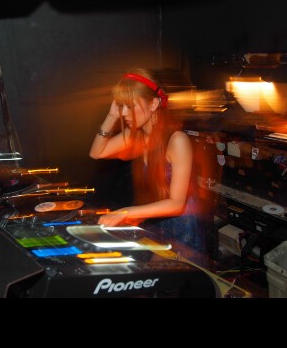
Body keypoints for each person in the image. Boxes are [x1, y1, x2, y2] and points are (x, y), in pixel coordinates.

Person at [89, 68, 209, 262]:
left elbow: (177, 204)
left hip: (182, 232)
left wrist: (126, 212)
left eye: (130, 106)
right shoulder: (136, 136)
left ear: (153, 104)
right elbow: (97, 152)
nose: (124, 113)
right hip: (155, 226)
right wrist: (111, 116)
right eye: (121, 106)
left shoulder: (176, 140)